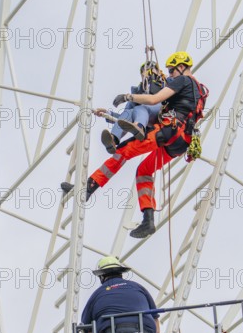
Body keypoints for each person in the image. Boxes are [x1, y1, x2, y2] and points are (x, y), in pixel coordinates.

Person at [62, 51, 208, 239]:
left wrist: (128, 97)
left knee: (122, 152)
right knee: (144, 171)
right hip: (181, 142)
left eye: (172, 71)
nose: (170, 75)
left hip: (168, 132)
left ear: (181, 67)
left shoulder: (183, 81)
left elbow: (153, 100)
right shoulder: (199, 89)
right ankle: (148, 220)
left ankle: (87, 189)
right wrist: (110, 115)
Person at [94, 61, 165, 153]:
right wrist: (107, 114)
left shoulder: (165, 83)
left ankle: (139, 126)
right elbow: (125, 119)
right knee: (129, 112)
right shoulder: (138, 92)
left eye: (151, 69)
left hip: (161, 110)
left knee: (140, 108)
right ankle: (113, 139)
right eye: (144, 71)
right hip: (145, 117)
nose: (147, 72)